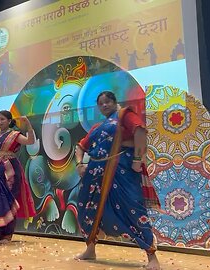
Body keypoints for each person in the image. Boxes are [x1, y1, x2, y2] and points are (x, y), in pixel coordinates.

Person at [74, 91, 161, 270]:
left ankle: (152, 257)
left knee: (133, 209)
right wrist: (79, 164)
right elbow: (80, 146)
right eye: (101, 103)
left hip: (121, 172)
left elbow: (140, 131)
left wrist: (138, 159)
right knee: (87, 209)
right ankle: (90, 249)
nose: (104, 105)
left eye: (107, 102)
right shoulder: (98, 127)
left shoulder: (124, 116)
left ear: (115, 102)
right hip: (95, 174)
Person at [0, 110, 37, 244]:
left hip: (10, 172)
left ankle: (6, 235)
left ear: (9, 121)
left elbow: (30, 141)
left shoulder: (14, 135)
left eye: (2, 119)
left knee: (8, 201)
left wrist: (28, 124)